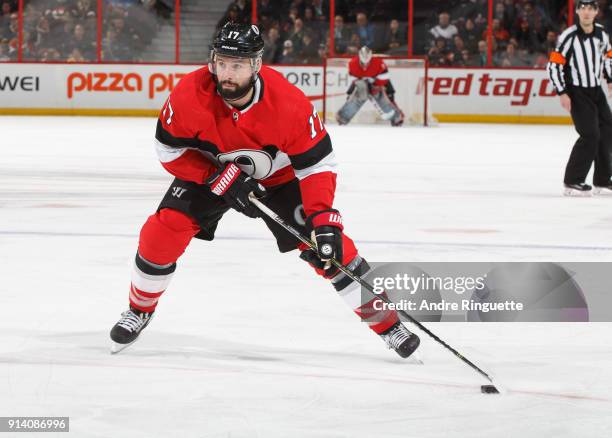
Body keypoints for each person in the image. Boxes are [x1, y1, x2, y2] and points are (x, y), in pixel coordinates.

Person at [109, 23, 420, 359]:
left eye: (237, 65)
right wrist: (215, 175)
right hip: (211, 171)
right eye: (222, 63)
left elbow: (317, 165)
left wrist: (323, 218)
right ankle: (139, 310)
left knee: (331, 248)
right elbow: (168, 152)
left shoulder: (288, 104)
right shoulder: (188, 94)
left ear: (256, 65)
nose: (227, 74)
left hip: (280, 180)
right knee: (162, 231)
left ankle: (389, 325)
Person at [547, 0, 612, 196]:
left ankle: (602, 180)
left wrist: (609, 79)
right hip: (577, 91)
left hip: (596, 90)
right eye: (582, 8)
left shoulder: (601, 33)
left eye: (590, 8)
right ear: (577, 11)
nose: (586, 12)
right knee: (590, 135)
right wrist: (562, 92)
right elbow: (554, 65)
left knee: (607, 130)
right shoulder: (569, 36)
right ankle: (572, 181)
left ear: (596, 12)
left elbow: (608, 57)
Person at [335, 46, 404, 126]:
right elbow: (353, 79)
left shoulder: (378, 63)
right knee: (360, 94)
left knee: (380, 97)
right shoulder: (353, 64)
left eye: (367, 63)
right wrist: (354, 89)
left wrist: (376, 85)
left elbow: (385, 76)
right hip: (363, 84)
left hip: (377, 83)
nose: (365, 65)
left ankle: (396, 118)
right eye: (363, 63)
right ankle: (343, 117)